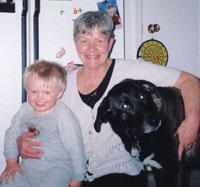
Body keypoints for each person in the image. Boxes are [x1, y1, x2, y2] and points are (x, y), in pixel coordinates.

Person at [16, 11, 200, 187]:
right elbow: (37, 118)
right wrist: (23, 140)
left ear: (110, 43)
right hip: (71, 169)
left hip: (118, 170)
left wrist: (192, 120)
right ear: (75, 43)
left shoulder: (132, 70)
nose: (92, 48)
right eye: (84, 40)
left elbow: (188, 80)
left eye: (99, 40)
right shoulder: (64, 83)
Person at [0, 60, 86, 187]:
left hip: (56, 170)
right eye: (34, 91)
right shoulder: (24, 110)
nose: (39, 97)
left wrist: (77, 178)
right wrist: (11, 161)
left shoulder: (63, 116)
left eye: (47, 92)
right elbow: (11, 135)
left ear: (59, 93)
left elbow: (76, 148)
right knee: (8, 181)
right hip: (27, 169)